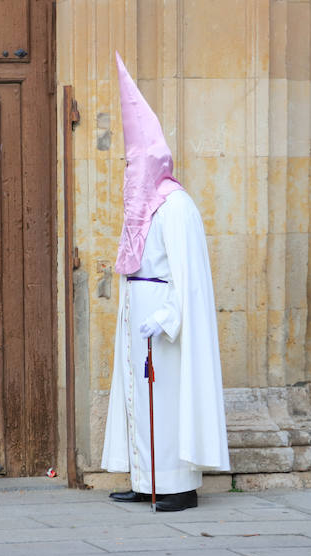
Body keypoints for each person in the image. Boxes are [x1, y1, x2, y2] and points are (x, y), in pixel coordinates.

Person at [101, 52, 230, 512]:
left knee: (167, 398)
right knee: (139, 395)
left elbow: (188, 277)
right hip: (139, 311)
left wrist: (166, 315)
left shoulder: (176, 206)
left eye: (133, 165)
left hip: (163, 318)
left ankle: (175, 485)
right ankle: (145, 479)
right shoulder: (141, 210)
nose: (128, 173)